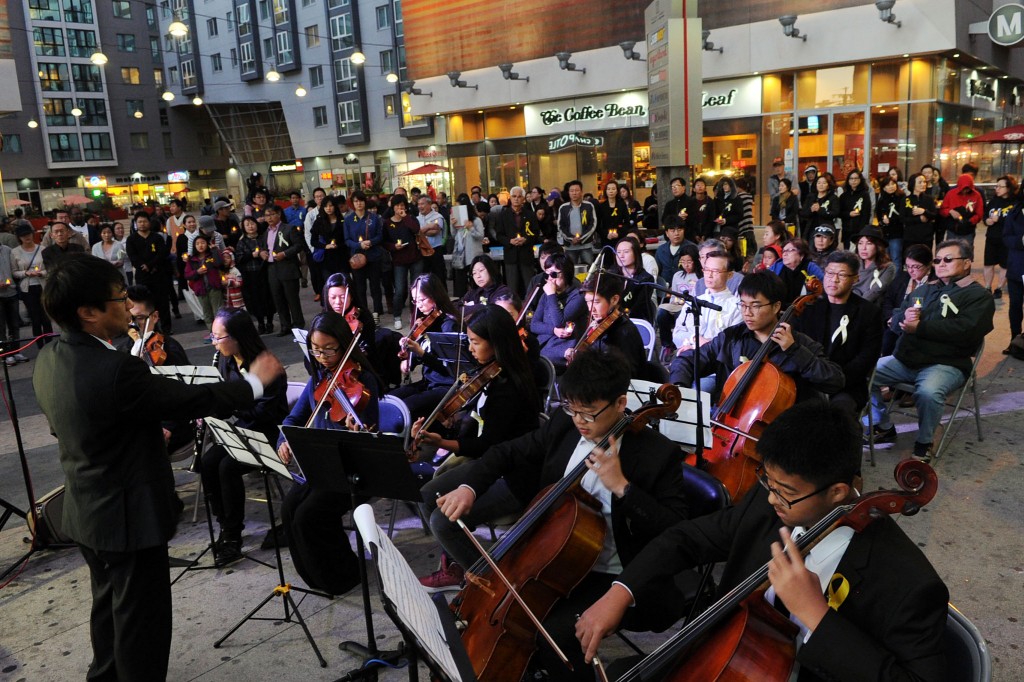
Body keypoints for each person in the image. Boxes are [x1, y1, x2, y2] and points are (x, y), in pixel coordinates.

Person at [33, 254, 283, 682]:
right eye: (120, 297)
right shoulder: (116, 368)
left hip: (87, 512)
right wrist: (255, 383)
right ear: (88, 312)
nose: (129, 306)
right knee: (141, 627)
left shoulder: (50, 357)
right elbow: (191, 401)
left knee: (108, 609)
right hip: (128, 517)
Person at [576, 400, 949, 682]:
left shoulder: (910, 584)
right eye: (767, 481)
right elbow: (686, 537)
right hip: (730, 661)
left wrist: (815, 614)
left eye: (784, 491)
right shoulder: (769, 501)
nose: (771, 498)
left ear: (838, 492)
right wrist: (620, 592)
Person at [420, 348, 689, 680]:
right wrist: (469, 488)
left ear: (620, 403)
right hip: (555, 563)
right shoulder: (566, 424)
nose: (579, 421)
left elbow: (677, 531)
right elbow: (507, 452)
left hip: (619, 574)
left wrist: (623, 488)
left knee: (553, 634)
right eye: (572, 409)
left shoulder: (658, 455)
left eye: (588, 413)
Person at [277, 311, 383, 596]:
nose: (322, 356)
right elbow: (292, 419)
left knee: (309, 516)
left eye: (329, 349)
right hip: (322, 467)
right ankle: (314, 576)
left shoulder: (365, 383)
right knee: (289, 509)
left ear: (344, 344)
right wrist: (283, 441)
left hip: (352, 470)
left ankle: (343, 574)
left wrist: (354, 431)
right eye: (316, 349)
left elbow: (369, 439)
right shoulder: (319, 379)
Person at [867, 240, 995, 461]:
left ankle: (924, 441)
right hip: (906, 359)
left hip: (947, 364)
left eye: (948, 259)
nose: (941, 264)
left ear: (966, 263)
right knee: (862, 373)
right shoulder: (926, 288)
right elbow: (897, 314)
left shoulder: (978, 296)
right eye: (937, 260)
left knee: (927, 392)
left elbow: (968, 330)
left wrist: (921, 327)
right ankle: (883, 425)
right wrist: (902, 319)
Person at [669, 271, 844, 403]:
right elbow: (689, 360)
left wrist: (795, 351)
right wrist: (678, 386)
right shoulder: (732, 338)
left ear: (776, 307)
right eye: (743, 305)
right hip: (729, 423)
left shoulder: (799, 343)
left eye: (755, 306)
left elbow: (834, 381)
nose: (747, 313)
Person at [200, 308, 289, 566]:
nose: (215, 343)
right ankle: (224, 522)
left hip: (268, 433)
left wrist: (230, 402)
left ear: (237, 337)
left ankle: (233, 536)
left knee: (228, 467)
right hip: (243, 427)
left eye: (219, 337)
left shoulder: (267, 364)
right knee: (208, 463)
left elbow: (263, 412)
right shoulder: (226, 360)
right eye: (213, 337)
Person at [410, 303, 540, 477]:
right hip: (485, 452)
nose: (470, 349)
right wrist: (445, 424)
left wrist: (442, 442)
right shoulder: (489, 371)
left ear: (496, 343)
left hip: (506, 466)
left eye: (475, 342)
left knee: (433, 486)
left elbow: (485, 445)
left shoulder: (506, 388)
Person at [793, 251, 882, 417]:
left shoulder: (869, 313)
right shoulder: (809, 307)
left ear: (855, 279)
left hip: (847, 384)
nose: (834, 280)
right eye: (830, 273)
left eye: (841, 275)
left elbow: (867, 358)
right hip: (808, 380)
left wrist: (833, 379)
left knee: (838, 414)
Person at [669, 250, 742, 392]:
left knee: (696, 391)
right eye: (706, 269)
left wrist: (701, 344)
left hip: (714, 370)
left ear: (729, 275)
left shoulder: (736, 307)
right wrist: (694, 339)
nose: (709, 275)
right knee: (672, 390)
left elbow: (729, 346)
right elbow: (677, 335)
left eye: (715, 271)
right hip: (687, 361)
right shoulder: (694, 301)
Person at [390, 273, 459, 420]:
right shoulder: (424, 322)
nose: (419, 305)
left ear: (435, 296)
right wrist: (408, 359)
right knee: (389, 400)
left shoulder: (449, 325)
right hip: (428, 382)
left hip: (445, 385)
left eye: (422, 299)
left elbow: (450, 368)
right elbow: (419, 357)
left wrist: (420, 353)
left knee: (406, 409)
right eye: (415, 301)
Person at [568, 275, 646, 377]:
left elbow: (626, 374)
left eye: (596, 302)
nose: (591, 309)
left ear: (614, 300)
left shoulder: (624, 332)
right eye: (588, 302)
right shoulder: (599, 323)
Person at [531, 253, 587, 371]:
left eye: (554, 274)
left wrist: (551, 295)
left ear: (566, 274)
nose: (550, 279)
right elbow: (534, 324)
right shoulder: (546, 295)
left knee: (540, 360)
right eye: (547, 274)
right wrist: (553, 330)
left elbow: (560, 322)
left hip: (563, 345)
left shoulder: (577, 297)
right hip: (545, 342)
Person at [260, 204, 306, 336]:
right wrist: (263, 252)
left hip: (287, 267)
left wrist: (285, 254)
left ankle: (298, 324)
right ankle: (285, 325)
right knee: (278, 299)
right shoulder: (266, 232)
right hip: (272, 269)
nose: (269, 218)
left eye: (272, 214)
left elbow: (299, 245)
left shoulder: (289, 228)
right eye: (267, 215)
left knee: (292, 299)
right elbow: (264, 247)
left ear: (278, 214)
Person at [125, 212, 173, 335]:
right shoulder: (131, 239)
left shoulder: (156, 237)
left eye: (144, 221)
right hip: (143, 276)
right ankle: (151, 327)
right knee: (145, 302)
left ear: (149, 223)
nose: (142, 224)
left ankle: (166, 327)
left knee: (162, 301)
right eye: (139, 222)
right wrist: (143, 266)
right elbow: (133, 256)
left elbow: (162, 254)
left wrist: (151, 265)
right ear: (136, 224)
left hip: (158, 273)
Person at [344, 190, 385, 324]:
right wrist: (358, 245)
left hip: (373, 257)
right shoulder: (349, 220)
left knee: (375, 286)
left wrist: (371, 242)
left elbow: (380, 235)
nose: (359, 203)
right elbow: (347, 240)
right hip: (357, 259)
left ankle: (376, 313)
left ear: (365, 202)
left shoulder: (374, 218)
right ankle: (363, 314)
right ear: (352, 203)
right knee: (360, 288)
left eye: (361, 200)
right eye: (356, 201)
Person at [383, 195, 423, 330]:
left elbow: (416, 230)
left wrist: (405, 217)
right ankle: (397, 316)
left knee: (415, 288)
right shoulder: (387, 223)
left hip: (415, 258)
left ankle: (415, 314)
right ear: (392, 207)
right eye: (397, 206)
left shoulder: (410, 219)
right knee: (400, 289)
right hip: (399, 260)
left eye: (402, 205)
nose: (400, 208)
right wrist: (394, 247)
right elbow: (384, 242)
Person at [11, 224, 53, 348]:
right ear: (19, 237)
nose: (27, 237)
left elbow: (49, 268)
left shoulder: (42, 249)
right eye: (23, 235)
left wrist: (42, 273)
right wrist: (26, 273)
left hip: (43, 285)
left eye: (28, 234)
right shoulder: (15, 252)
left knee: (46, 316)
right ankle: (40, 345)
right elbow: (14, 272)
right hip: (27, 288)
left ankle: (50, 344)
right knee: (35, 317)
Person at [235, 216, 274, 333]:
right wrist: (252, 255)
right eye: (247, 225)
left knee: (268, 297)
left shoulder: (264, 238)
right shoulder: (242, 242)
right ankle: (260, 322)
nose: (250, 226)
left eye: (252, 223)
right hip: (250, 274)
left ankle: (270, 322)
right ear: (243, 228)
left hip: (265, 272)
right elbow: (239, 259)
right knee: (255, 299)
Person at [983, 175, 1015, 299]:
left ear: (1008, 188)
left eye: (1000, 186)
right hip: (991, 237)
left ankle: (999, 288)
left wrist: (1000, 219)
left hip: (1006, 238)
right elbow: (986, 214)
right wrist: (987, 220)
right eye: (996, 186)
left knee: (1004, 265)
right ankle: (987, 287)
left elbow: (1016, 220)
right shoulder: (994, 200)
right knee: (988, 264)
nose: (997, 189)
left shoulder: (1014, 203)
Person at [450, 193, 487, 299]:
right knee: (460, 282)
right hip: (460, 255)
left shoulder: (476, 220)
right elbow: (454, 235)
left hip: (473, 255)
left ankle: (477, 299)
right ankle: (462, 301)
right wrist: (453, 225)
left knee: (474, 280)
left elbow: (480, 236)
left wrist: (471, 228)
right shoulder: (457, 220)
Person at [610, 237, 655, 324]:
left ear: (636, 253)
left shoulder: (645, 278)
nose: (621, 256)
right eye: (618, 252)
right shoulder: (612, 273)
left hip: (635, 321)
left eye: (626, 252)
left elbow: (638, 308)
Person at [770, 238, 826, 308]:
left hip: (804, 310)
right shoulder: (777, 266)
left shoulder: (810, 267)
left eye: (790, 250)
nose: (785, 254)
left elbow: (825, 285)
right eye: (784, 251)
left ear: (801, 255)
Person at [938, 173, 984, 252]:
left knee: (966, 252)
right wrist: (950, 211)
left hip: (968, 230)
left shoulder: (976, 195)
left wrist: (970, 221)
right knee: (950, 251)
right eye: (963, 188)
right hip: (952, 229)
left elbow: (979, 214)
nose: (965, 191)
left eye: (968, 189)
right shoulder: (951, 194)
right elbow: (942, 210)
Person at [557, 180, 600, 265]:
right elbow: (560, 226)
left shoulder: (588, 206)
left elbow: (593, 224)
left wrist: (581, 238)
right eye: (572, 191)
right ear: (568, 193)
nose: (574, 193)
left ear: (581, 192)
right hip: (570, 246)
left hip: (586, 245)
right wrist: (570, 238)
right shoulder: (563, 208)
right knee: (570, 269)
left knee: (588, 269)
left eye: (577, 190)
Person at [310, 195, 348, 288]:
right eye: (326, 206)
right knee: (329, 286)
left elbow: (347, 240)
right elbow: (313, 241)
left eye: (331, 205)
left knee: (343, 285)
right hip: (326, 259)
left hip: (341, 257)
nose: (328, 208)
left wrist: (338, 245)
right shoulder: (319, 222)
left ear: (335, 206)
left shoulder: (343, 221)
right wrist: (325, 246)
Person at [850, 226, 896, 305]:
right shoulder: (853, 262)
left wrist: (858, 305)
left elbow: (875, 291)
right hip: (851, 303)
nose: (863, 248)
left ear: (878, 246)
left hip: (872, 307)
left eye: (869, 243)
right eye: (860, 243)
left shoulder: (888, 267)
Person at [416, 194, 448, 285]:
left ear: (429, 204)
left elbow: (435, 232)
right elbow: (415, 232)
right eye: (418, 204)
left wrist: (420, 232)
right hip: (422, 250)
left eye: (422, 204)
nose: (420, 206)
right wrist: (429, 226)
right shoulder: (417, 218)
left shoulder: (437, 216)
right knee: (424, 277)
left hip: (435, 250)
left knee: (439, 276)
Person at [875, 174, 907, 266]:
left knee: (896, 257)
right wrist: (882, 221)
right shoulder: (881, 199)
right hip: (884, 232)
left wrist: (891, 220)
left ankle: (896, 280)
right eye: (888, 185)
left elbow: (902, 215)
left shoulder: (901, 197)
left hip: (897, 232)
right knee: (885, 258)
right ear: (884, 187)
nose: (891, 187)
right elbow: (878, 214)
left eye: (893, 184)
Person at [903, 172, 938, 253]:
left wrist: (924, 211)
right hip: (910, 237)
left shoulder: (929, 199)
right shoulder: (906, 200)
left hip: (926, 237)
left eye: (924, 182)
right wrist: (919, 219)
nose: (923, 184)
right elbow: (902, 218)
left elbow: (935, 215)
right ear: (913, 184)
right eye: (920, 182)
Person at [838, 170, 872, 250]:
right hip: (847, 230)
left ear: (860, 180)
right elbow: (839, 212)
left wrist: (863, 230)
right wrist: (849, 214)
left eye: (856, 178)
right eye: (851, 178)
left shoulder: (865, 194)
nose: (853, 181)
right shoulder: (844, 196)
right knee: (847, 254)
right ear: (848, 180)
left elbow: (866, 213)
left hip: (860, 230)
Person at [800, 175, 840, 242]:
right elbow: (803, 213)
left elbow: (835, 213)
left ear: (828, 185)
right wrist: (811, 210)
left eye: (824, 183)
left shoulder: (833, 198)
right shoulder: (811, 197)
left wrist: (820, 210)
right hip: (810, 229)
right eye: (819, 183)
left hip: (826, 228)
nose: (821, 185)